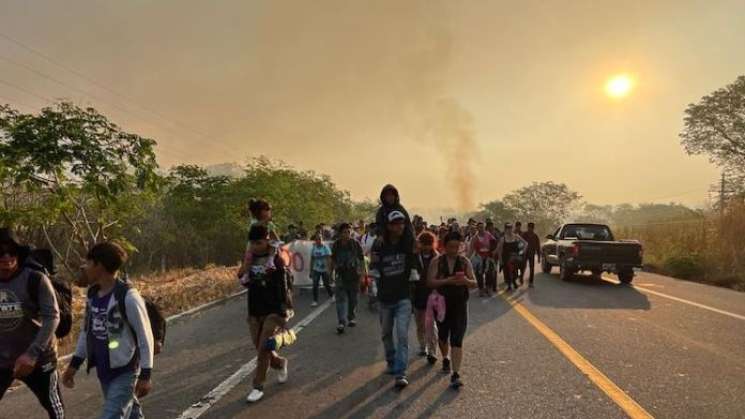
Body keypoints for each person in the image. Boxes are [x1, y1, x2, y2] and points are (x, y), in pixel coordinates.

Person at [63, 242, 154, 419]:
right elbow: (86, 332)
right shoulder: (92, 294)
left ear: (100, 266)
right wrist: (74, 364)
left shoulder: (128, 297)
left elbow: (145, 337)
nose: (84, 267)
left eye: (88, 263)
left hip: (125, 369)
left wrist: (146, 374)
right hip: (104, 370)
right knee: (130, 413)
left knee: (112, 415)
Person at [0, 229, 64, 419]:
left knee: (54, 408)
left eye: (12, 251)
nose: (6, 257)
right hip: (3, 360)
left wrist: (32, 353)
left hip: (38, 358)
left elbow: (52, 316)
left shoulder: (35, 279)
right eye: (0, 252)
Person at [241, 224, 293, 403]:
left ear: (267, 240)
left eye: (259, 242)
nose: (255, 246)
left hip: (273, 309)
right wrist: (245, 269)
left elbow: (285, 284)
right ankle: (280, 363)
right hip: (255, 308)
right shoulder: (249, 258)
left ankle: (258, 386)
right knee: (260, 346)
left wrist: (285, 309)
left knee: (263, 349)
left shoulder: (277, 258)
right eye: (252, 242)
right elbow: (243, 280)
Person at [427, 231, 477, 390]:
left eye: (457, 246)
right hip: (442, 305)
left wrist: (465, 280)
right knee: (443, 335)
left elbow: (474, 282)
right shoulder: (437, 261)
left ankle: (455, 374)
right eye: (450, 246)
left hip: (460, 304)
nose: (454, 250)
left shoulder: (465, 262)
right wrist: (448, 280)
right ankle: (445, 357)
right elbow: (430, 282)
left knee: (457, 339)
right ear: (444, 246)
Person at [370, 211, 414, 389]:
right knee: (386, 333)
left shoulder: (408, 243)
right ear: (388, 226)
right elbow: (373, 265)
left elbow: (415, 262)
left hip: (404, 297)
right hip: (385, 298)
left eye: (402, 223)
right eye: (395, 223)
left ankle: (400, 372)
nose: (400, 226)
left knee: (402, 335)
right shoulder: (379, 244)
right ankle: (391, 360)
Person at [330, 223, 365, 334]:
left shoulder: (355, 244)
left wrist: (363, 274)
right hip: (340, 275)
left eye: (348, 232)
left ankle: (351, 317)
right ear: (340, 234)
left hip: (354, 275)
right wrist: (331, 273)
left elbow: (361, 259)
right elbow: (332, 259)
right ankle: (341, 322)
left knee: (353, 299)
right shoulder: (336, 245)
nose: (346, 234)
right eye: (344, 232)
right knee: (340, 299)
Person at [412, 231, 439, 365]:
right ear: (420, 244)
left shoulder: (437, 257)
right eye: (424, 244)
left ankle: (432, 351)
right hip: (417, 294)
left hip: (432, 295)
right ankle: (422, 345)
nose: (427, 247)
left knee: (430, 324)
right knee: (420, 325)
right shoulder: (415, 257)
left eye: (429, 244)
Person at [375, 184, 415, 253]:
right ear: (384, 197)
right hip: (387, 241)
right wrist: (380, 235)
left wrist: (412, 239)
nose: (391, 197)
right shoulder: (381, 211)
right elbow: (379, 225)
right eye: (388, 195)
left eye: (392, 195)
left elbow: (408, 225)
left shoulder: (401, 209)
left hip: (403, 241)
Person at [496, 223, 529, 291]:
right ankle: (509, 285)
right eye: (508, 229)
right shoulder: (503, 239)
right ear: (505, 230)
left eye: (510, 228)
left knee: (516, 271)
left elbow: (525, 243)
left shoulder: (516, 236)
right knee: (507, 272)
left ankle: (514, 281)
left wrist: (522, 252)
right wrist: (500, 260)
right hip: (506, 257)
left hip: (515, 257)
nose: (509, 230)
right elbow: (500, 250)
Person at [470, 222, 497, 297]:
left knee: (489, 274)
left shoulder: (488, 234)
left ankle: (489, 289)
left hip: (488, 257)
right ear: (477, 228)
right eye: (479, 227)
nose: (481, 229)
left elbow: (494, 242)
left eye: (482, 227)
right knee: (479, 275)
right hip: (479, 258)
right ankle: (481, 289)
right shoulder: (474, 238)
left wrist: (493, 252)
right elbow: (471, 249)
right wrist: (467, 259)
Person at [310, 234, 333, 307]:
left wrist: (329, 269)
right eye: (317, 239)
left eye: (319, 239)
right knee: (315, 284)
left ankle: (332, 296)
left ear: (322, 239)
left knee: (326, 284)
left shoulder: (325, 247)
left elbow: (329, 259)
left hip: (325, 269)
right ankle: (315, 300)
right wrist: (311, 270)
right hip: (316, 269)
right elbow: (312, 259)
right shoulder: (314, 248)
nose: (318, 241)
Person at [520, 222, 542, 288]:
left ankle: (531, 282)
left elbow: (538, 247)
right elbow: (520, 244)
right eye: (529, 228)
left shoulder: (535, 236)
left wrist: (538, 257)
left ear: (533, 228)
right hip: (524, 253)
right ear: (528, 228)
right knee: (522, 267)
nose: (530, 229)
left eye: (531, 228)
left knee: (532, 268)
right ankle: (521, 277)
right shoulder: (524, 235)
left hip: (531, 254)